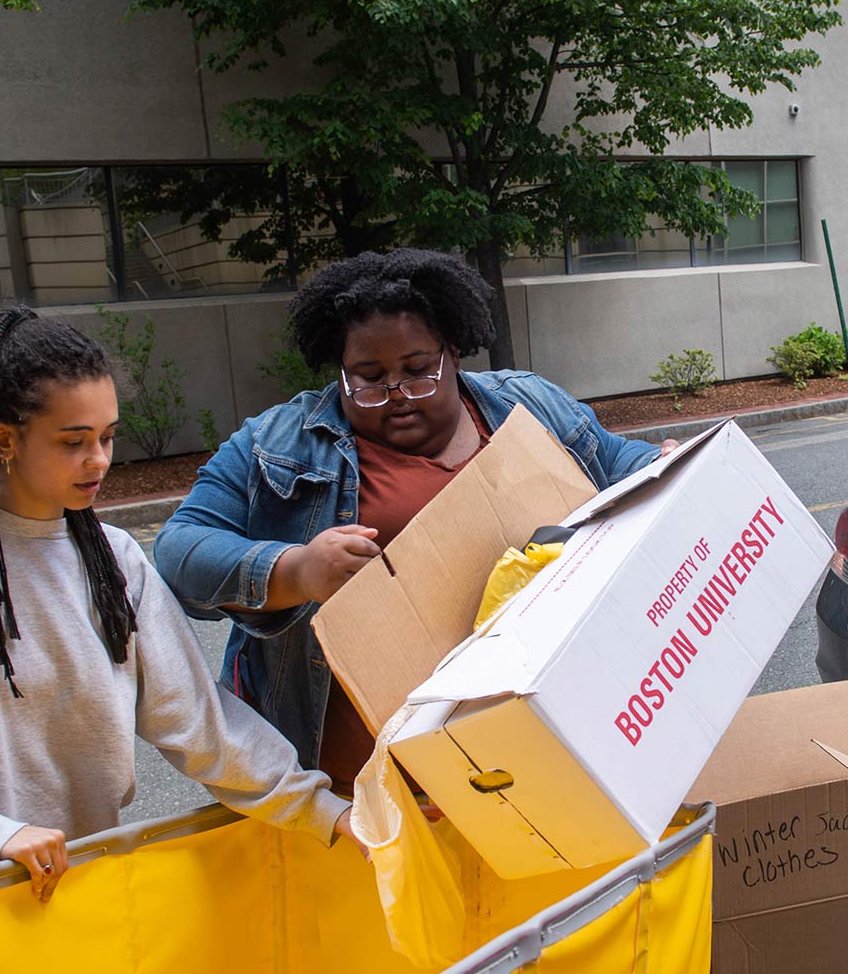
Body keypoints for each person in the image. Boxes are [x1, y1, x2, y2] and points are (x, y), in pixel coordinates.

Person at [0, 308, 351, 900]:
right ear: (3, 438)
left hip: (72, 906)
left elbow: (204, 727)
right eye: (74, 441)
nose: (99, 460)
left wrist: (326, 812)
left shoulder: (113, 558)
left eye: (108, 436)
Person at [156, 248, 666, 793]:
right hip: (361, 780)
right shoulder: (276, 444)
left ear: (453, 353)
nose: (396, 396)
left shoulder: (526, 403)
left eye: (419, 371)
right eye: (368, 379)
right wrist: (295, 569)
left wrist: (663, 464)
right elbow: (178, 551)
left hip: (540, 741)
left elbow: (613, 461)